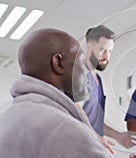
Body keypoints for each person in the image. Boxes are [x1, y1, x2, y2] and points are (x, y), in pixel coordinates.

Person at [0, 28, 113, 158]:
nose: (86, 72)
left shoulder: (11, 116)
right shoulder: (63, 128)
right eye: (81, 61)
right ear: (58, 63)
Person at [83, 25, 136, 149]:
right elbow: (76, 113)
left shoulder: (98, 80)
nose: (106, 56)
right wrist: (97, 138)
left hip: (92, 147)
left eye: (110, 51)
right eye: (102, 50)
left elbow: (94, 120)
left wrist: (118, 136)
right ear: (89, 46)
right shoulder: (78, 74)